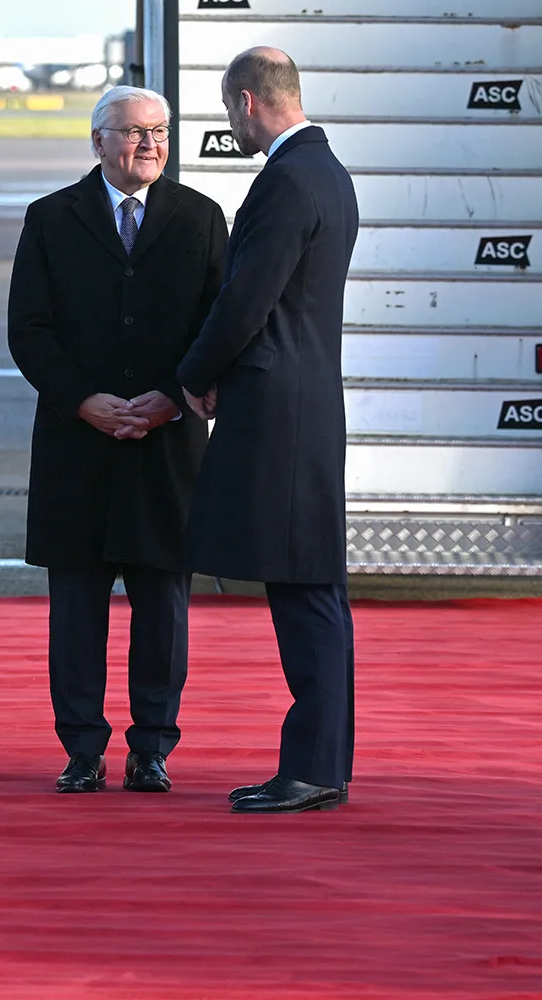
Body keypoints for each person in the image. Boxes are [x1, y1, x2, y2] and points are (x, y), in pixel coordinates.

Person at [8, 86, 227, 795]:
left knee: (164, 606)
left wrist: (173, 396)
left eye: (159, 131)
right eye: (133, 133)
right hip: (80, 443)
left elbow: (217, 324)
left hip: (167, 443)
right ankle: (81, 749)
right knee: (76, 608)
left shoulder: (199, 218)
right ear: (97, 140)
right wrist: (82, 400)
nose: (149, 144)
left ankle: (152, 747)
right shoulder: (51, 219)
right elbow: (28, 329)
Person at [177, 47, 359, 814]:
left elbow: (247, 299)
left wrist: (193, 372)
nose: (232, 125)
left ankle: (314, 767)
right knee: (315, 587)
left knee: (304, 589)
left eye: (229, 112)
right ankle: (321, 761)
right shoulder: (330, 172)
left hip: (278, 413)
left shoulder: (284, 181)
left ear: (248, 102)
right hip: (308, 402)